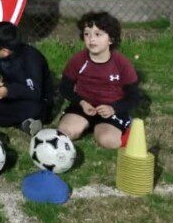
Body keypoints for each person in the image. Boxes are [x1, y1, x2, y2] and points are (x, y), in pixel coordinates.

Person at [58, 12, 139, 149]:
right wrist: (81, 102)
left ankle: (118, 128)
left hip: (112, 109)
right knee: (65, 132)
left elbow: (134, 96)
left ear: (111, 39)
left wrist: (113, 108)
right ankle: (87, 124)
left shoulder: (122, 64)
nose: (91, 39)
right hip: (84, 106)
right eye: (87, 34)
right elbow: (64, 87)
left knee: (108, 141)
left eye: (97, 34)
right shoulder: (78, 60)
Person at [0, 22, 52, 134]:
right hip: (10, 97)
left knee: (36, 109)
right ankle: (20, 122)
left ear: (5, 51)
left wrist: (9, 91)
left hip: (32, 100)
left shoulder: (31, 58)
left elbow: (35, 92)